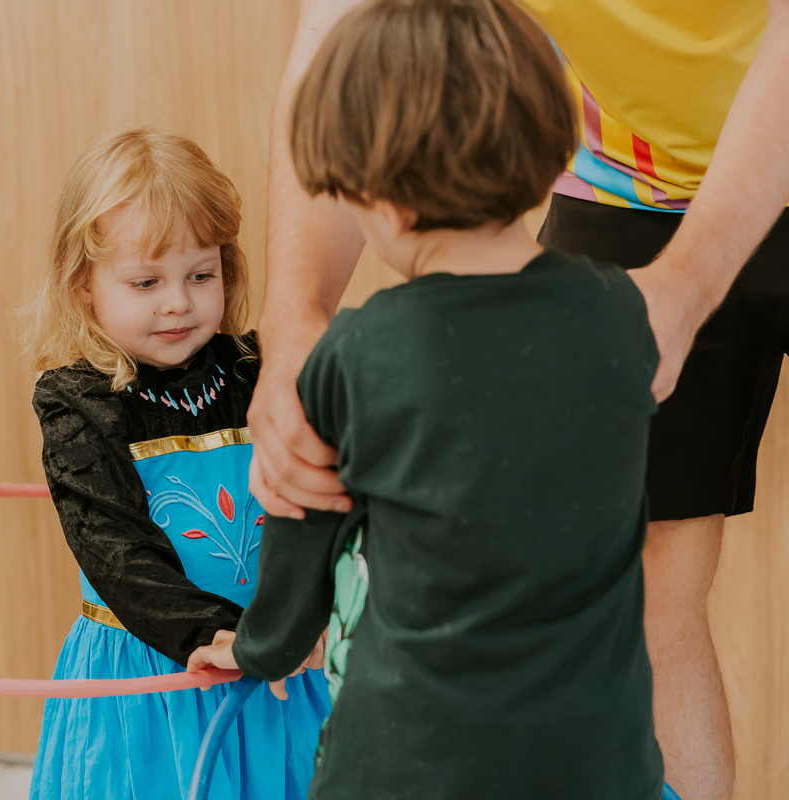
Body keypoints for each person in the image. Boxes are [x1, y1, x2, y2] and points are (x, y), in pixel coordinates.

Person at [249, 1, 789, 797]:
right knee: (658, 583)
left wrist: (263, 644)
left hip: (403, 764)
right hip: (635, 184)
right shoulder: (609, 317)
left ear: (384, 202)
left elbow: (301, 548)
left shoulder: (357, 352)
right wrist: (294, 307)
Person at [26, 128, 330, 800]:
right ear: (83, 285)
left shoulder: (256, 370)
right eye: (145, 281)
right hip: (153, 676)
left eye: (201, 274)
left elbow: (314, 494)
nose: (177, 302)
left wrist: (304, 610)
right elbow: (115, 550)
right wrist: (213, 633)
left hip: (272, 660)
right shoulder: (78, 401)